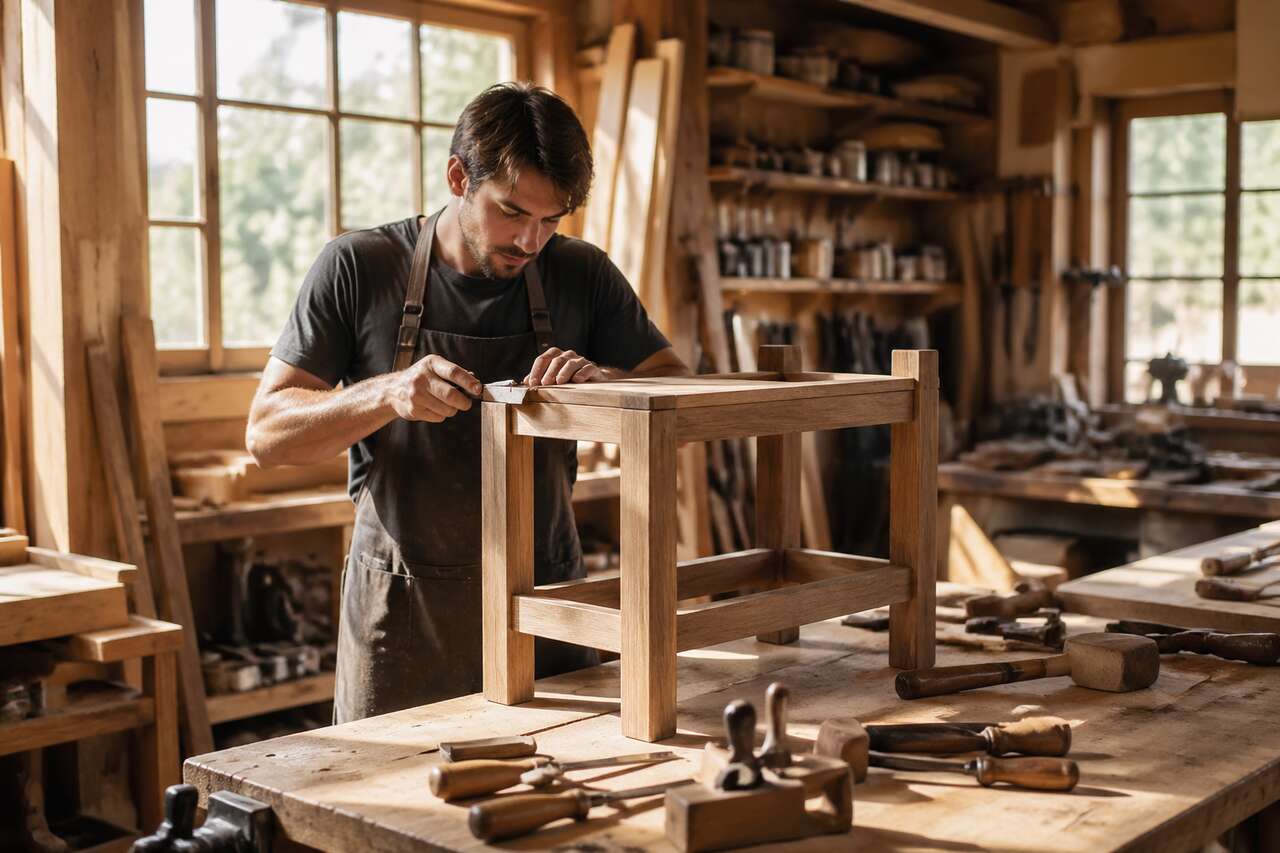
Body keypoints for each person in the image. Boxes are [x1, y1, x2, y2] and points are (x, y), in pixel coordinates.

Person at [246, 82, 689, 723]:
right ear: (458, 176)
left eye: (551, 219)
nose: (530, 240)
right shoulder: (358, 267)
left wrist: (609, 385)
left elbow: (678, 385)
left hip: (548, 603)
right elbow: (266, 435)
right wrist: (388, 394)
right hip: (404, 610)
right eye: (511, 212)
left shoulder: (581, 274)